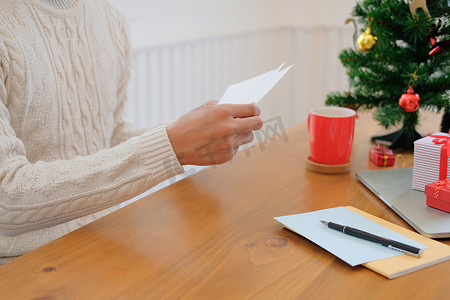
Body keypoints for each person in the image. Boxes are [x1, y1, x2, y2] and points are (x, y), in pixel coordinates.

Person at [0, 0, 263, 264]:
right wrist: (171, 145)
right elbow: (5, 196)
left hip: (106, 232)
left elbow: (110, 134)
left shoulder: (109, 18)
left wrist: (185, 136)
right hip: (25, 261)